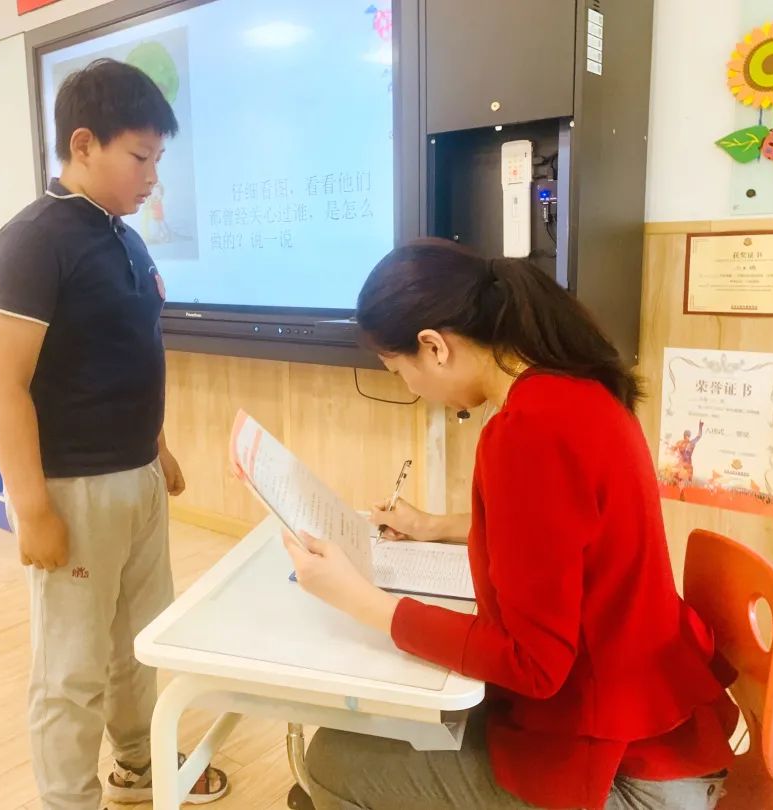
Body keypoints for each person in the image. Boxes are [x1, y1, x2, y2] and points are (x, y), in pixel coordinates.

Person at [286, 238, 737, 810]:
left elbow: (533, 665)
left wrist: (361, 601)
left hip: (626, 775)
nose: (411, 389)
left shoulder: (527, 432)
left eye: (398, 370)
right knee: (383, 733)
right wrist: (436, 527)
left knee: (331, 761)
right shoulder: (574, 391)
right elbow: (566, 536)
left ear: (434, 346)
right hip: (658, 737)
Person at [0, 59, 226, 809]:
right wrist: (33, 509)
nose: (153, 176)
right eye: (140, 157)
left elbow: (124, 351)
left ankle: (138, 763)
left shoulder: (123, 236)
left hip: (136, 477)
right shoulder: (33, 241)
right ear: (83, 144)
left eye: (158, 158)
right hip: (73, 488)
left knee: (139, 641)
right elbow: (3, 385)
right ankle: (69, 799)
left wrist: (157, 446)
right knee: (72, 666)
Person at [673, 421, 705, 488]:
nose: (687, 437)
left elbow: (673, 450)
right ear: (687, 436)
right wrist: (700, 427)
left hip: (683, 465)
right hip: (685, 465)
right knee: (684, 482)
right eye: (688, 435)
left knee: (682, 481)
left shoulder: (681, 443)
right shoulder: (689, 443)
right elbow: (699, 436)